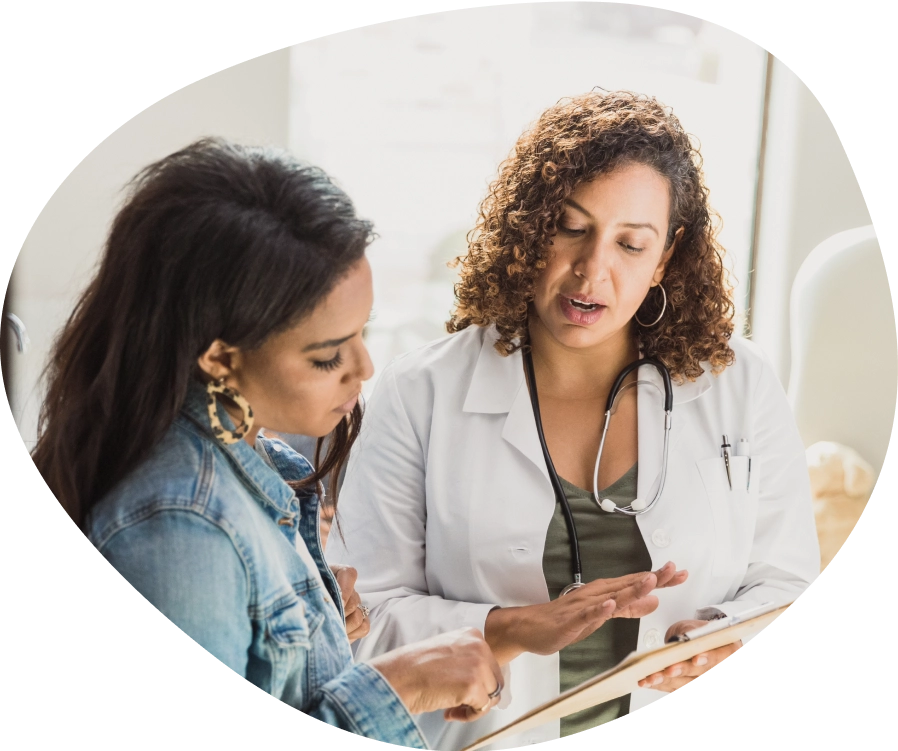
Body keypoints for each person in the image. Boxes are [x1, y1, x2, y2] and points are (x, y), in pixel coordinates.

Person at [326, 91, 820, 750]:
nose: (592, 270)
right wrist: (510, 626)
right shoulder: (423, 391)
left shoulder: (739, 383)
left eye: (630, 243)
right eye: (571, 227)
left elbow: (787, 583)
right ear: (531, 227)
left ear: (666, 257)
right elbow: (359, 618)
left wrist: (723, 632)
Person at [31, 138, 534, 749]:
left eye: (361, 333)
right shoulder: (181, 528)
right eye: (327, 357)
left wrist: (319, 634)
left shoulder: (246, 464)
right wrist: (396, 689)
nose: (364, 368)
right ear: (220, 358)